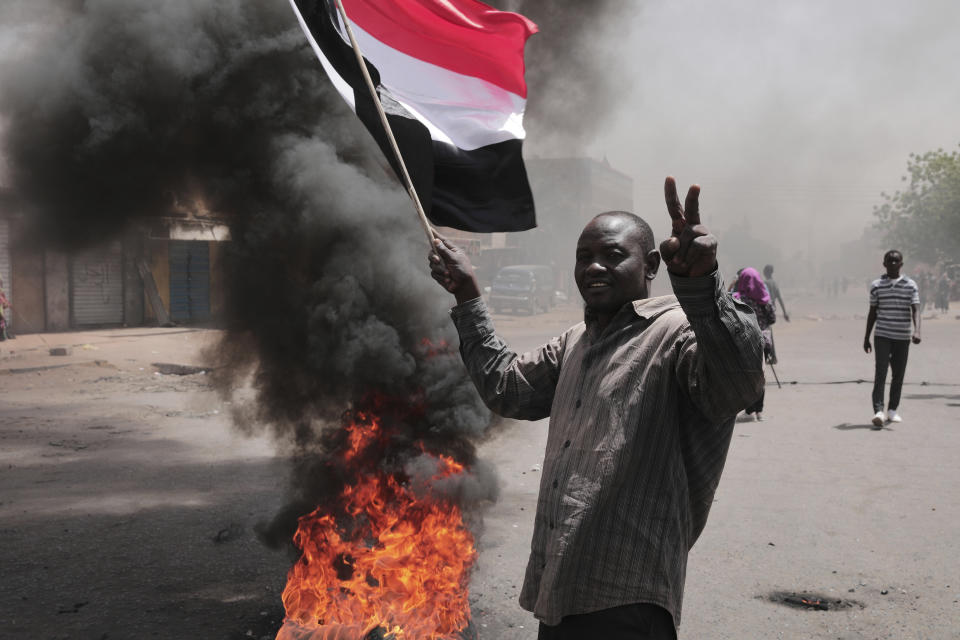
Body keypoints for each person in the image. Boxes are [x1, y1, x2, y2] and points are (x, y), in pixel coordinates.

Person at [429, 177, 764, 639]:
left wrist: (701, 285)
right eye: (583, 257)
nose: (593, 267)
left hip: (629, 599)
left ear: (650, 265)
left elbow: (736, 385)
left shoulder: (678, 333)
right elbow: (508, 387)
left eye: (611, 255)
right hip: (563, 589)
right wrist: (468, 294)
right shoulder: (576, 341)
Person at [863, 250, 921, 429]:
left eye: (896, 261)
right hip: (882, 335)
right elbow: (872, 312)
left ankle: (892, 409)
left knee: (898, 374)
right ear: (884, 264)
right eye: (890, 261)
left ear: (902, 264)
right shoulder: (876, 285)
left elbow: (916, 310)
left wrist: (917, 330)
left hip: (902, 337)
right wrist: (866, 337)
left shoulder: (911, 285)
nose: (893, 264)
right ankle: (878, 411)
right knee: (880, 372)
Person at [733, 268, 776, 421]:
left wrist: (734, 283)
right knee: (760, 375)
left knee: (747, 376)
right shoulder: (764, 299)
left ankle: (749, 410)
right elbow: (772, 319)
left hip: (745, 342)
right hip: (763, 341)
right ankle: (758, 411)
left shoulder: (739, 299)